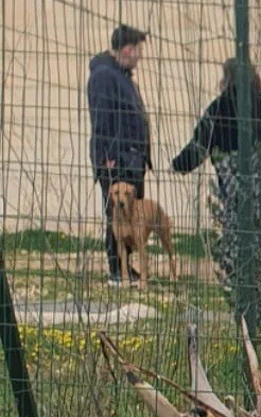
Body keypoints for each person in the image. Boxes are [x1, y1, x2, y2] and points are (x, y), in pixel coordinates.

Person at [87, 24, 152, 286]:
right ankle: (117, 270)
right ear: (127, 49)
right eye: (137, 50)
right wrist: (109, 155)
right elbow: (102, 118)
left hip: (131, 158)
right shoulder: (105, 75)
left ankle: (126, 267)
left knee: (130, 216)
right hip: (118, 159)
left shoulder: (120, 75)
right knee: (117, 215)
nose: (139, 56)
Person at [172, 58, 261, 191]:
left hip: (231, 183)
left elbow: (200, 145)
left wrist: (177, 165)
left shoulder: (218, 108)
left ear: (227, 77)